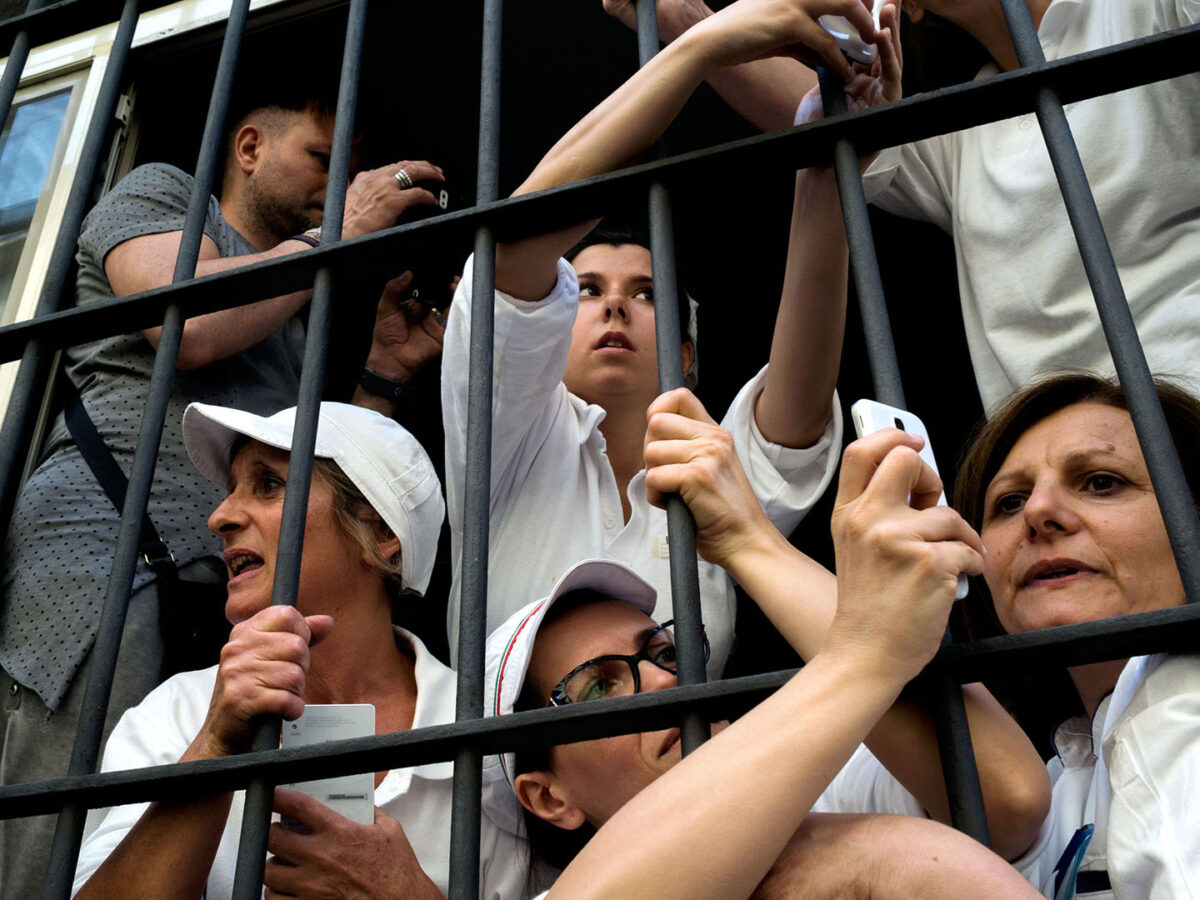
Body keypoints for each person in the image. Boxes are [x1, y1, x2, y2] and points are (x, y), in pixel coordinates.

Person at [0, 84, 446, 897]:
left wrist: (381, 372)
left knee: (192, 801)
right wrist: (339, 232)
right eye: (320, 160)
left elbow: (331, 478)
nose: (337, 187)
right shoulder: (163, 192)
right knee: (70, 811)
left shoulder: (292, 304)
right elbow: (186, 323)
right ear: (248, 148)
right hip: (110, 553)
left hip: (224, 588)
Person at [443, 0, 890, 673]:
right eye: (588, 290)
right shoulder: (507, 432)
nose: (616, 306)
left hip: (685, 771)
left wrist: (825, 170)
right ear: (547, 335)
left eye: (647, 294)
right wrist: (699, 48)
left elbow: (795, 414)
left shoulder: (705, 459)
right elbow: (511, 251)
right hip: (508, 782)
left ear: (686, 354)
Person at [481, 386, 1051, 896]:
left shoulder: (829, 794)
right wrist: (862, 658)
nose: (662, 679)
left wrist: (747, 541)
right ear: (549, 798)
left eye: (666, 653)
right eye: (597, 686)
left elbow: (1006, 797)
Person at [604, 0, 1200, 411]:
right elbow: (832, 120)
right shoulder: (967, 130)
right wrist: (684, 19)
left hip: (1187, 406)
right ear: (910, 5)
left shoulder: (1141, 10)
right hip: (1055, 466)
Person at [72, 401, 523, 899]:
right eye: (230, 491)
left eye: (269, 484)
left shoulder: (494, 738)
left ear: (380, 533)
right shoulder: (178, 713)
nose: (218, 517)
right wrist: (215, 750)